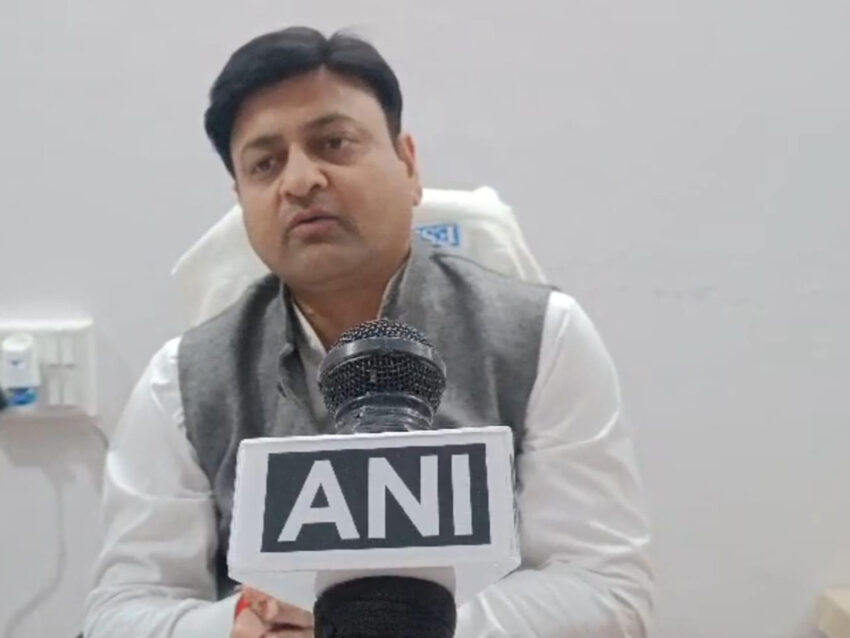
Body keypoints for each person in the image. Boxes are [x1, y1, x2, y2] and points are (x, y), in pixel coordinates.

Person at [84, 26, 653, 638]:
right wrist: (243, 622)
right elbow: (120, 613)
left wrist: (395, 622)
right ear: (241, 196)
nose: (300, 180)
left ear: (408, 164)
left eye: (332, 143)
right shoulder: (180, 381)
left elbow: (609, 592)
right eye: (265, 164)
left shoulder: (544, 337)